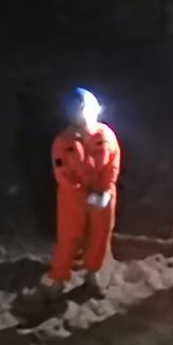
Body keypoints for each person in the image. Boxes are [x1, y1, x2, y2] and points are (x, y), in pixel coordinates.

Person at [47, 88, 123, 295]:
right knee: (69, 237)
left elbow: (113, 162)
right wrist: (83, 194)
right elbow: (62, 173)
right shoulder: (63, 142)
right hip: (73, 198)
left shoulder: (105, 134)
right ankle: (58, 279)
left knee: (100, 235)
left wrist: (105, 191)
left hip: (103, 195)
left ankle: (93, 274)